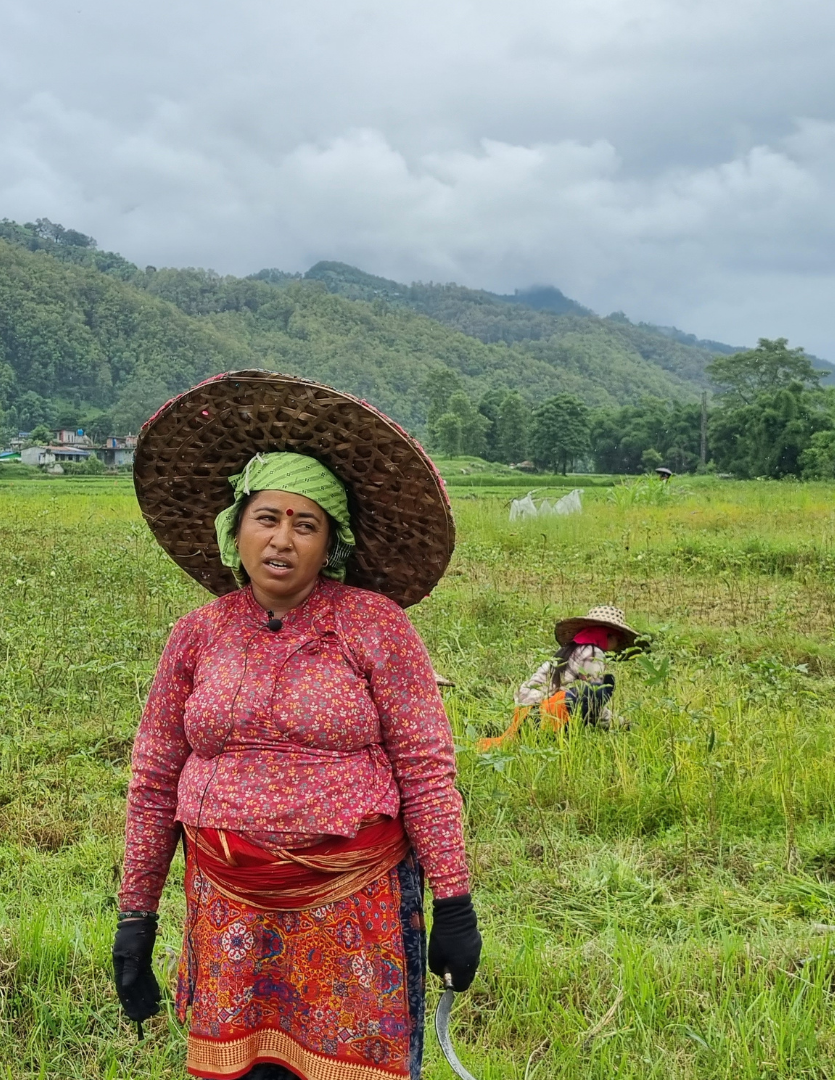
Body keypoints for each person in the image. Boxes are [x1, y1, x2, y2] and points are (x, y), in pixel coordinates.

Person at [114, 371, 482, 1080]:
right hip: (226, 909)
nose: (283, 540)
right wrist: (136, 920)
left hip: (354, 904)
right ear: (236, 528)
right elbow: (154, 780)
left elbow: (427, 770)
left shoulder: (375, 626)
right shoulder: (197, 635)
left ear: (330, 542)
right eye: (268, 517)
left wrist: (455, 900)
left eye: (305, 524)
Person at [478, 605, 645, 751]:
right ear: (608, 635)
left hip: (526, 715)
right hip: (546, 716)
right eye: (617, 638)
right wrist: (618, 723)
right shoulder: (593, 653)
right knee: (601, 687)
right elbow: (594, 696)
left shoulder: (572, 649)